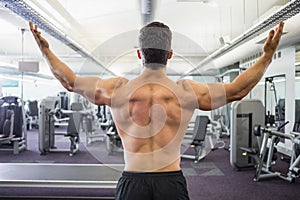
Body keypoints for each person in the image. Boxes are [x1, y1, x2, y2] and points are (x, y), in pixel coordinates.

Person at [29, 20, 284, 200]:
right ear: (170, 54)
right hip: (170, 183)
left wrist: (46, 50)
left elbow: (69, 81)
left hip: (132, 182)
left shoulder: (118, 90)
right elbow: (238, 90)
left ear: (140, 53)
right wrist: (266, 56)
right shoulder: (186, 92)